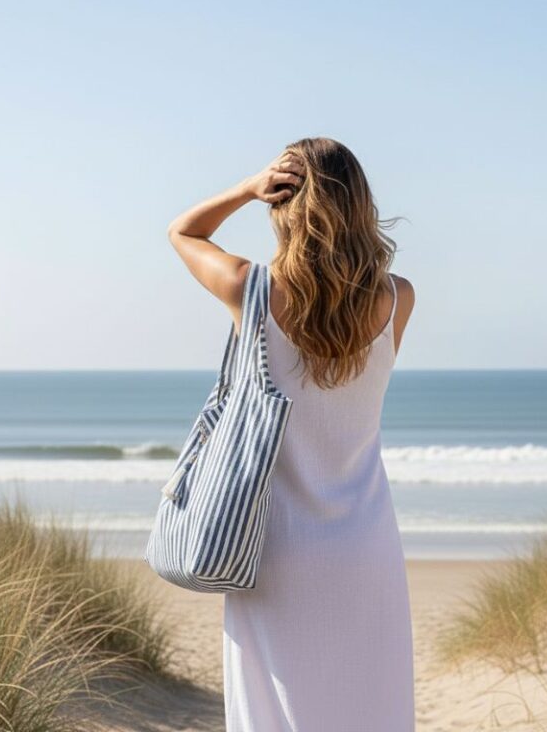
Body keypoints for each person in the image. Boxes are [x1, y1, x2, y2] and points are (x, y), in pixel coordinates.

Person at [168, 136, 416, 731]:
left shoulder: (249, 290)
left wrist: (246, 188)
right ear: (359, 203)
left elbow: (183, 232)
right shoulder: (396, 298)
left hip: (274, 545)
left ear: (282, 205)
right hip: (367, 544)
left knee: (273, 710)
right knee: (367, 704)